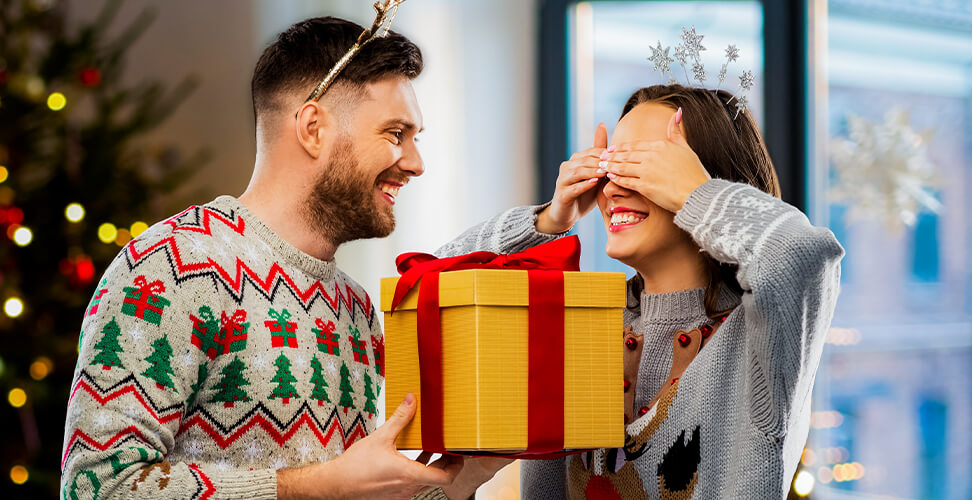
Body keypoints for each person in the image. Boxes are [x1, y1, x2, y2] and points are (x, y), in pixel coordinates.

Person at [60, 16, 587, 500]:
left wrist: (465, 474)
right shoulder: (168, 267)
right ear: (313, 128)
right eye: (395, 134)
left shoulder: (355, 308)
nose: (416, 163)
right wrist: (319, 485)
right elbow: (97, 487)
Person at [520, 85, 844, 498]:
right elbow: (425, 283)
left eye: (645, 165)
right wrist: (549, 219)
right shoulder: (582, 326)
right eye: (609, 165)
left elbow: (802, 254)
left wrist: (696, 193)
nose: (612, 188)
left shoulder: (757, 336)